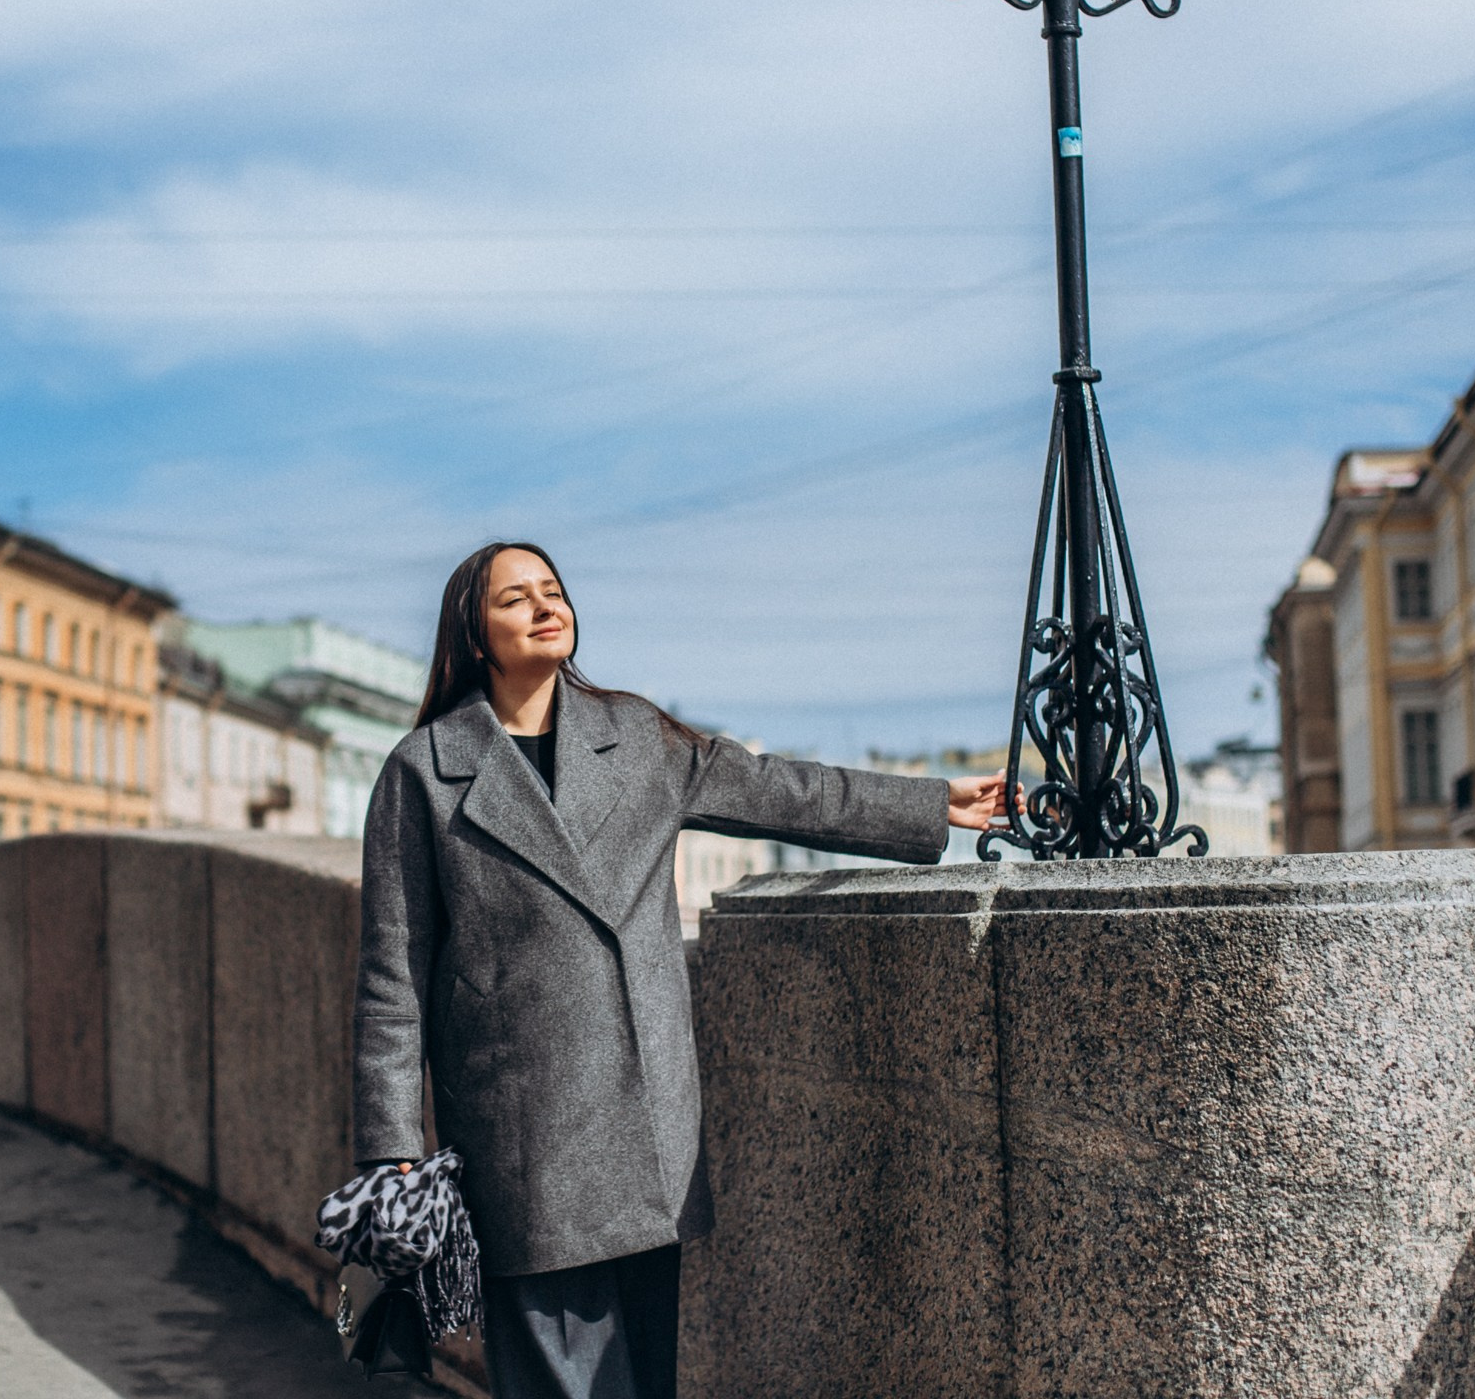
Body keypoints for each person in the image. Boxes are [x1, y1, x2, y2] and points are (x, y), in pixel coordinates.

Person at [352, 543, 1006, 1399]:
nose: (547, 607)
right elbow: (393, 977)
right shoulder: (426, 771)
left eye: (555, 591)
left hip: (646, 1131)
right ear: (474, 634)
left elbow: (781, 790)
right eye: (517, 599)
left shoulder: (637, 739)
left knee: (644, 1380)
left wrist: (933, 803)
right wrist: (392, 1149)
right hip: (522, 1137)